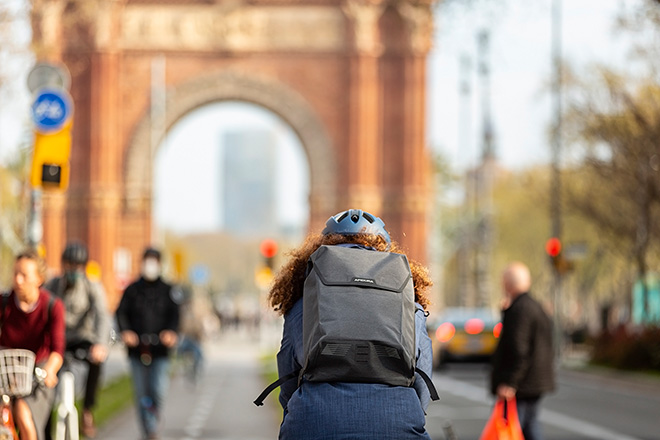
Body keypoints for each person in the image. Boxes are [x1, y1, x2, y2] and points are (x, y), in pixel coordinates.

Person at [269, 209, 434, 439]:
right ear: (383, 249)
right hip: (396, 423)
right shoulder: (408, 302)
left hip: (313, 422)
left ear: (323, 247)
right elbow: (422, 378)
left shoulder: (302, 303)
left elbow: (288, 375)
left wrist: (299, 412)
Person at [44, 242, 111, 438]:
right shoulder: (53, 285)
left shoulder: (92, 287)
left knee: (97, 362)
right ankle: (47, 427)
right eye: (70, 265)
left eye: (78, 265)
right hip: (58, 340)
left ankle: (88, 410)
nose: (73, 269)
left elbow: (102, 316)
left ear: (84, 267)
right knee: (46, 382)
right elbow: (43, 311)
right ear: (63, 265)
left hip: (83, 338)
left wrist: (100, 344)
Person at [0, 250, 65, 440]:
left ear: (39, 279)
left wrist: (50, 371)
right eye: (15, 274)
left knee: (22, 411)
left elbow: (57, 349)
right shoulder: (4, 302)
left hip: (36, 376)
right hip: (6, 372)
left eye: (24, 275)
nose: (18, 280)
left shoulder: (52, 306)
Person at [115, 247, 180, 440]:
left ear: (160, 264)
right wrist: (126, 332)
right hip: (137, 351)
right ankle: (148, 430)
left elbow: (175, 315)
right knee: (141, 392)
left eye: (154, 261)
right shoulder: (132, 290)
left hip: (160, 352)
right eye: (147, 261)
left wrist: (171, 333)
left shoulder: (168, 290)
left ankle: (153, 422)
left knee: (157, 390)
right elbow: (120, 313)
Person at [490, 262, 556, 440]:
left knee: (513, 428)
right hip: (534, 381)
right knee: (528, 425)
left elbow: (519, 349)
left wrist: (511, 382)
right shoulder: (535, 306)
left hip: (522, 384)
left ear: (508, 283)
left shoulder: (520, 310)